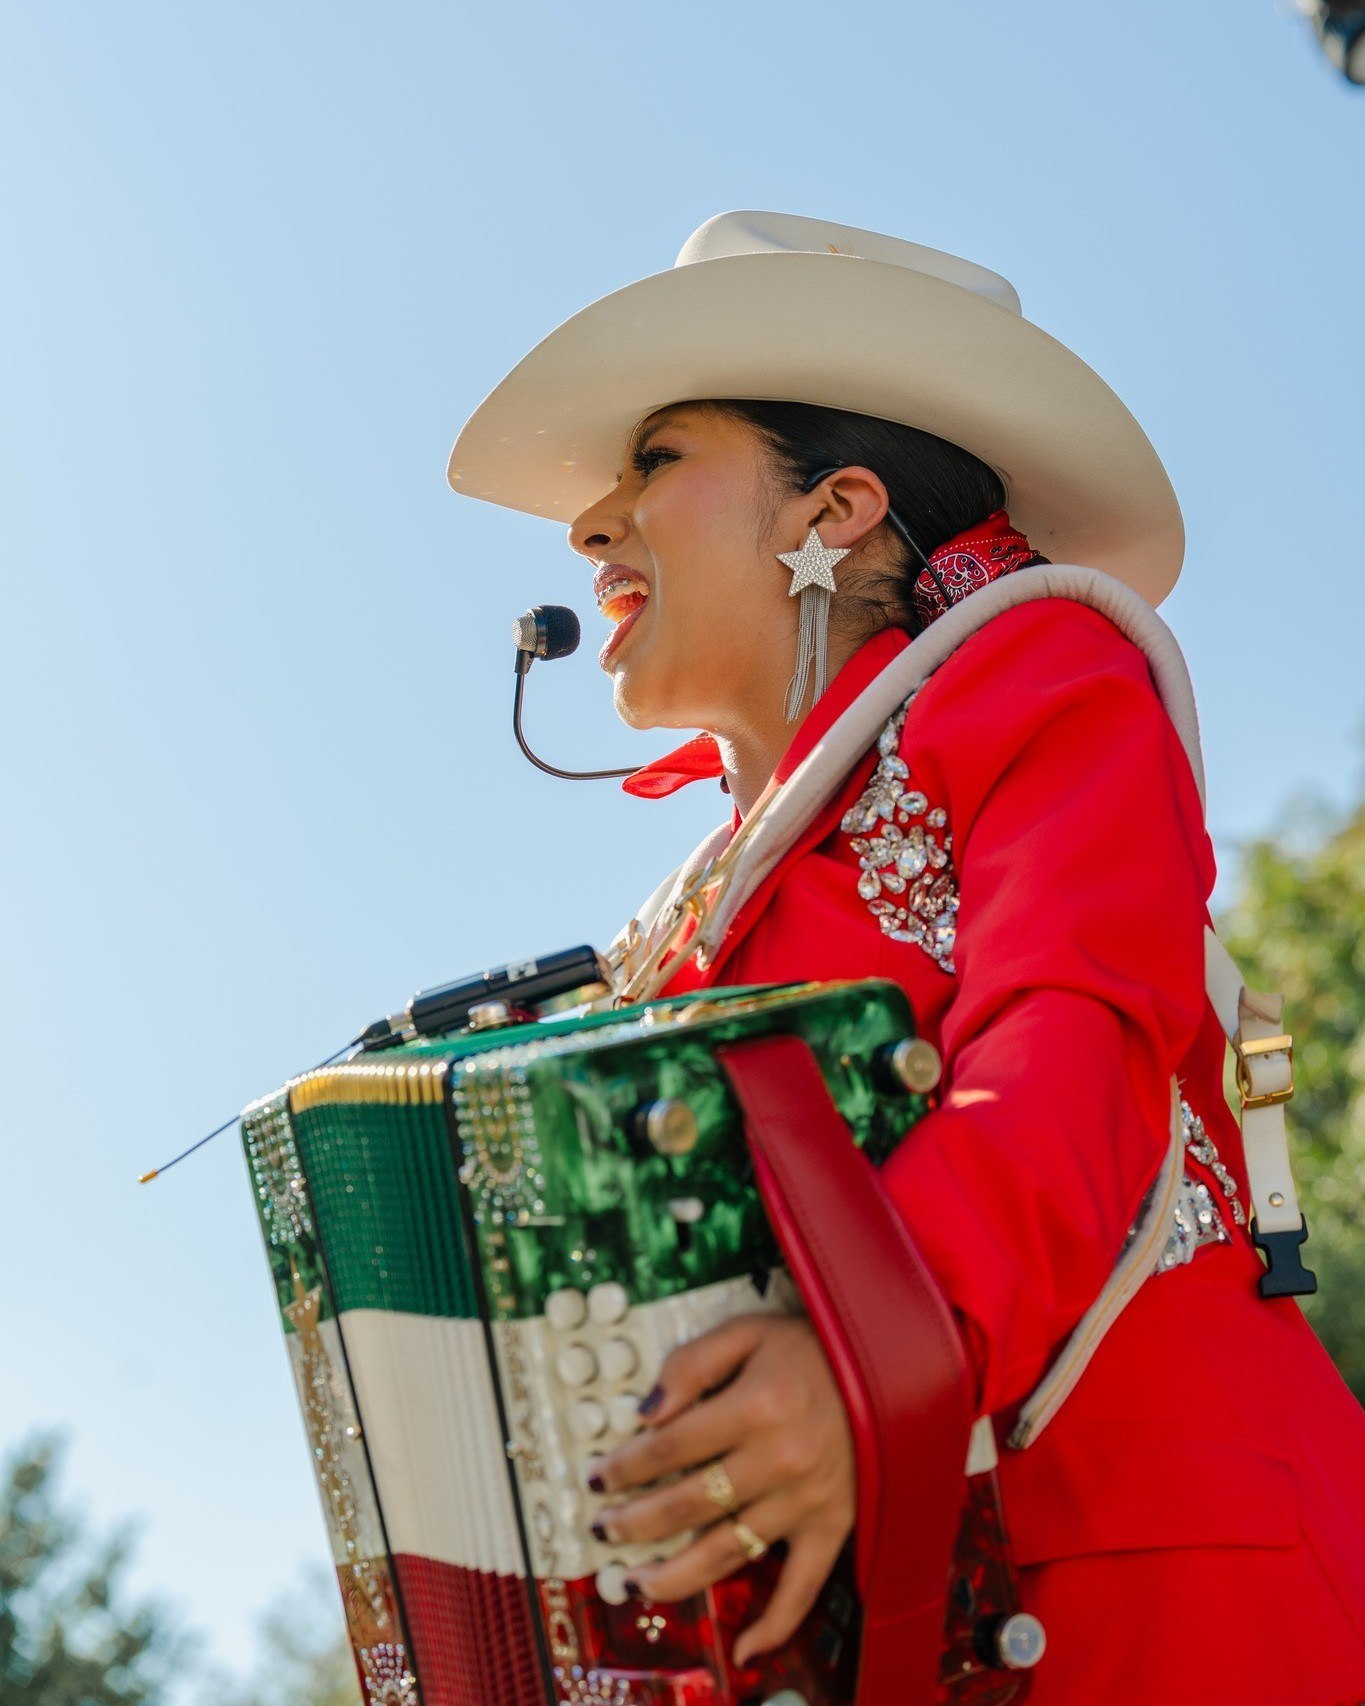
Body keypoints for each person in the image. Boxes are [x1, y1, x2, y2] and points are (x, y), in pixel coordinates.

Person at [449, 211, 1365, 1704]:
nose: (591, 523)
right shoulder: (686, 904)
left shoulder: (1039, 668)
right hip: (888, 1631)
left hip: (1149, 1586)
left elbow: (1071, 1040)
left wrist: (866, 1357)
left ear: (839, 509)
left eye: (656, 460)